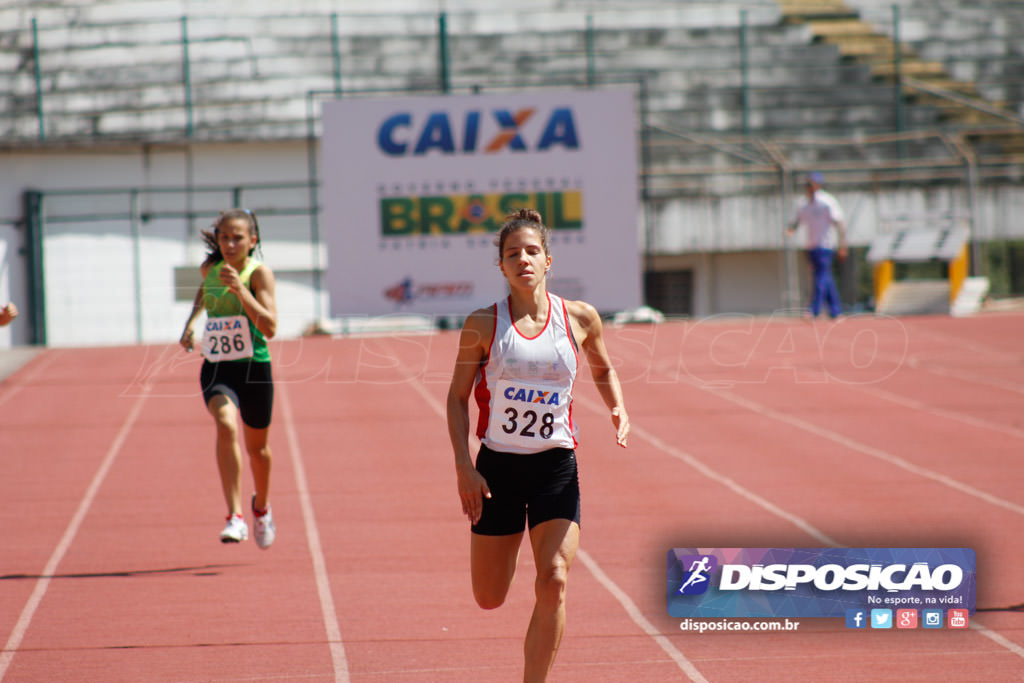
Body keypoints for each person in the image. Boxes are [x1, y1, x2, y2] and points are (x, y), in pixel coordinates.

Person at [446, 208, 630, 682]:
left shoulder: (580, 318)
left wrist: (617, 406)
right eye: (512, 254)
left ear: (548, 260)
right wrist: (464, 466)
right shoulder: (483, 325)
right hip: (497, 473)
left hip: (555, 469)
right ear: (502, 267)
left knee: (554, 580)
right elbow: (456, 398)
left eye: (532, 251)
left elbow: (603, 367)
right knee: (489, 597)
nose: (523, 259)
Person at [180, 209, 277, 548]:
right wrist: (191, 323)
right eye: (224, 237)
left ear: (253, 241)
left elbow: (271, 327)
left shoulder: (258, 274)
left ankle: (260, 507)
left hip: (254, 368)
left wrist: (241, 291)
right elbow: (204, 291)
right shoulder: (211, 269)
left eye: (237, 238)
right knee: (225, 423)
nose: (230, 243)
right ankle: (234, 516)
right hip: (218, 365)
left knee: (259, 451)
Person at [786, 171, 847, 318]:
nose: (809, 187)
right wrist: (790, 230)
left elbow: (839, 223)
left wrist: (842, 245)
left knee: (821, 276)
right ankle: (835, 311)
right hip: (811, 246)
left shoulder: (827, 201)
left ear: (818, 185)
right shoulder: (803, 203)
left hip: (825, 246)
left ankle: (814, 310)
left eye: (812, 183)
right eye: (807, 184)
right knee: (825, 277)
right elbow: (797, 221)